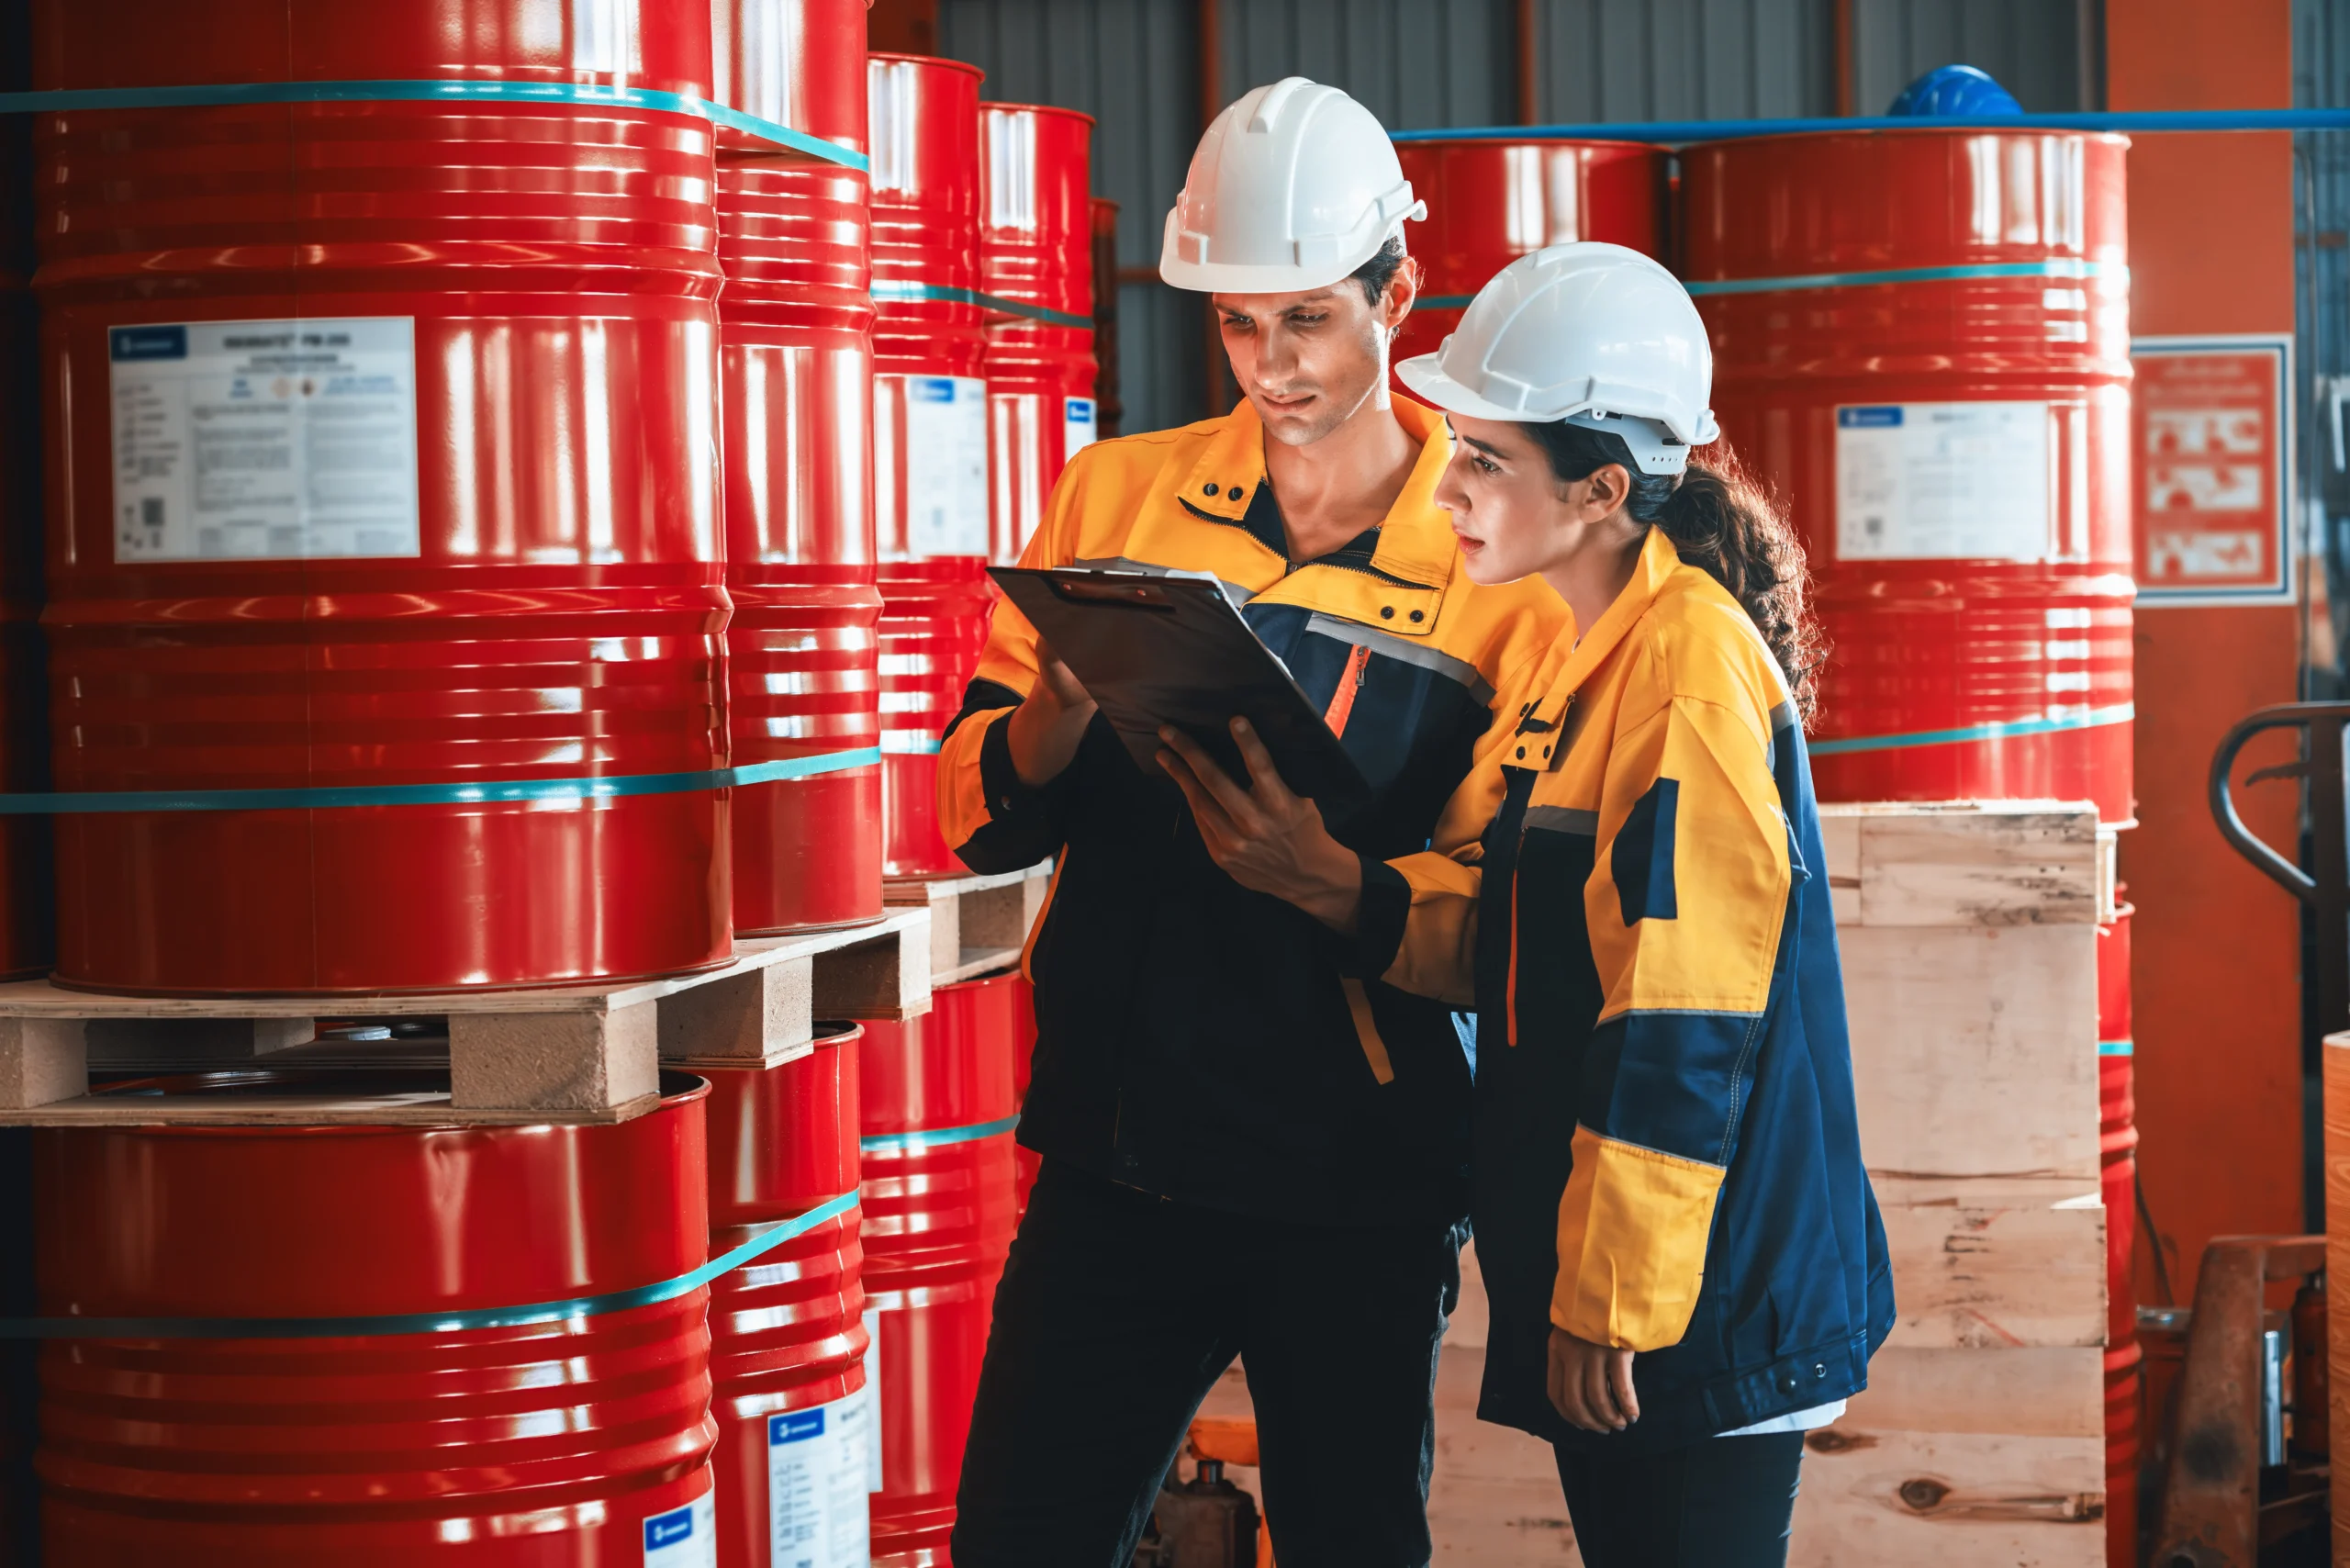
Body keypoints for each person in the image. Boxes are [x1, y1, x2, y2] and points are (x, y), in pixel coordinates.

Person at [1158, 242, 1894, 1567]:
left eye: (1487, 461)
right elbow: (1524, 946)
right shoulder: (1589, 656)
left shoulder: (1685, 678)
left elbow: (1683, 1020)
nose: (1445, 489)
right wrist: (1341, 891)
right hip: (1646, 1288)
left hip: (1688, 1300)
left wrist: (1610, 1297)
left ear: (1603, 488)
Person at [937, 78, 1568, 1568]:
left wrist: (1336, 886)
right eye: (1236, 324)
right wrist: (1061, 712)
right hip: (1117, 1153)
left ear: (1397, 297)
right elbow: (970, 810)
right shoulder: (1115, 499)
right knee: (1017, 1544)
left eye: (1309, 322)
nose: (1270, 365)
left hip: (1357, 1181)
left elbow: (1504, 921)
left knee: (1353, 1541)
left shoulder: (1491, 559)